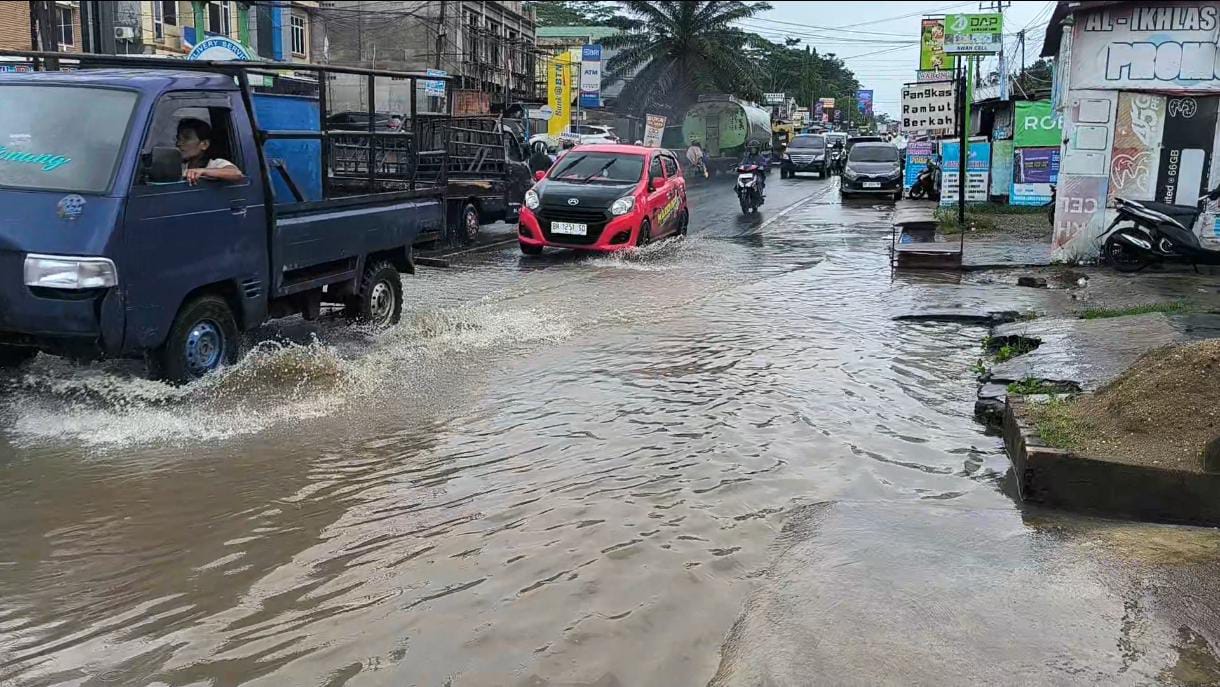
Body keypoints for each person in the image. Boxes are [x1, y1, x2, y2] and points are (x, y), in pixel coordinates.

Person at [176, 118, 244, 186]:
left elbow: (236, 173)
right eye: (178, 138)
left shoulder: (215, 164)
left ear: (205, 144)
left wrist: (202, 171)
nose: (179, 143)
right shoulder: (179, 166)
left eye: (186, 138)